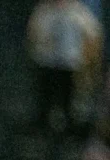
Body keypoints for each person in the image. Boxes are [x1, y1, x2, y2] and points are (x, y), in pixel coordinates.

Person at [28, 0, 102, 134]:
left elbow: (93, 34)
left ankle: (69, 124)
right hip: (47, 61)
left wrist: (88, 58)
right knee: (46, 92)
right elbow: (33, 32)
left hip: (69, 62)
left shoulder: (78, 11)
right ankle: (43, 121)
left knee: (68, 93)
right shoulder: (43, 10)